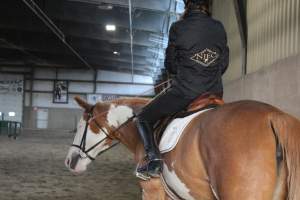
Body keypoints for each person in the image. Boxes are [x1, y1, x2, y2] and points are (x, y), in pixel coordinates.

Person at [136, 0, 229, 179]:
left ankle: (154, 159)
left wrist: (185, 73)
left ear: (186, 5)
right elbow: (224, 64)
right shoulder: (218, 27)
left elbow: (170, 65)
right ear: (208, 6)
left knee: (143, 117)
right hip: (215, 92)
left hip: (185, 93)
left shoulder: (178, 27)